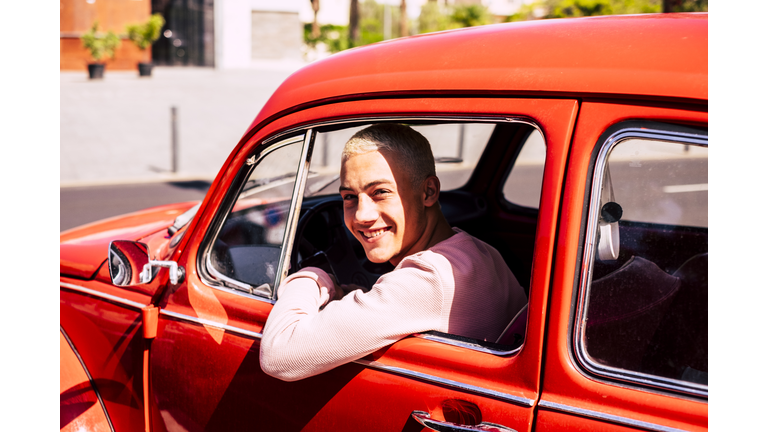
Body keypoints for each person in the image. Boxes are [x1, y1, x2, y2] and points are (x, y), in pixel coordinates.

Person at [260, 123, 526, 381]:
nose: (362, 216)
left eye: (381, 192)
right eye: (349, 197)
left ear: (428, 191)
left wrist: (314, 277)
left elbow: (279, 355)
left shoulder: (428, 279)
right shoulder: (480, 251)